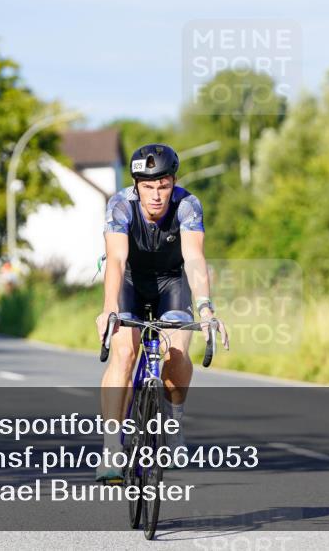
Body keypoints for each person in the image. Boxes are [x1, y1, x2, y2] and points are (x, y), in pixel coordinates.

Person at [95, 143, 229, 483]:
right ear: (137, 186)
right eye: (149, 187)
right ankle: (111, 447)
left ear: (173, 182)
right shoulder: (120, 205)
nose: (157, 195)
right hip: (130, 281)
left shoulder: (187, 205)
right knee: (124, 352)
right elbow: (116, 260)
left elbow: (195, 258)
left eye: (164, 186)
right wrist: (110, 308)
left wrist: (205, 307)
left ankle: (173, 422)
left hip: (173, 283)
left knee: (176, 353)